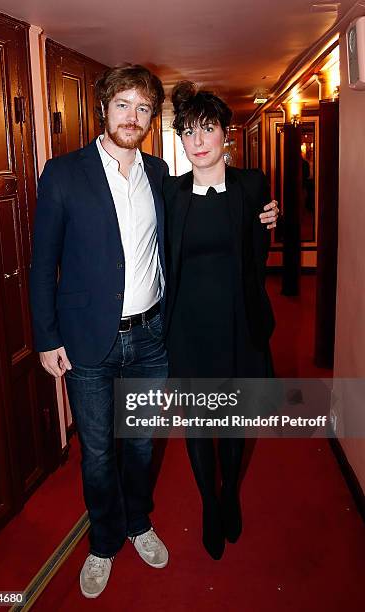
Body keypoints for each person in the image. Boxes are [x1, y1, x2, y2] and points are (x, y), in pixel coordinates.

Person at [29, 65, 170, 599]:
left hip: (151, 338)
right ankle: (104, 542)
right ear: (104, 108)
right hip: (89, 341)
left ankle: (139, 523)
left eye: (143, 108)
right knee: (98, 451)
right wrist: (46, 337)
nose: (132, 117)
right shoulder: (64, 174)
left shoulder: (158, 173)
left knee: (139, 445)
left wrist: (260, 213)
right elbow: (44, 264)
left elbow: (207, 209)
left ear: (151, 117)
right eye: (123, 105)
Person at [163, 81, 277, 560]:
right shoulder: (168, 193)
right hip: (188, 329)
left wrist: (274, 218)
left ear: (225, 134)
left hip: (237, 324)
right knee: (197, 425)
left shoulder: (253, 185)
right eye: (188, 132)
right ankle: (210, 503)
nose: (197, 140)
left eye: (207, 129)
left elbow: (259, 252)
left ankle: (230, 491)